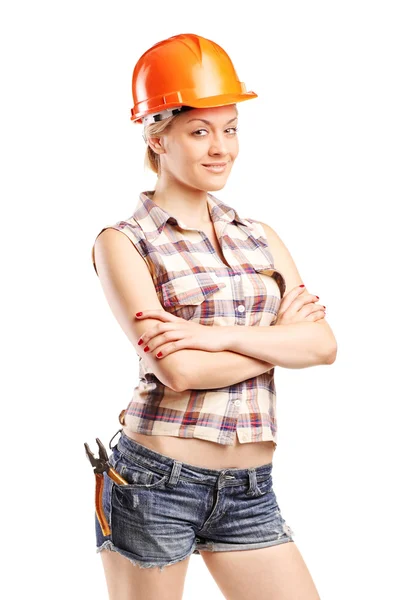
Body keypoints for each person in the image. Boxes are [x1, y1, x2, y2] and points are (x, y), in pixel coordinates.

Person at [90, 33, 337, 600]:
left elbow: (322, 345)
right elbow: (180, 372)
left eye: (230, 129)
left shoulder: (259, 237)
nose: (220, 147)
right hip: (154, 480)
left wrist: (212, 335)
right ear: (157, 137)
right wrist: (276, 338)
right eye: (199, 131)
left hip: (251, 488)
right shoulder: (123, 244)